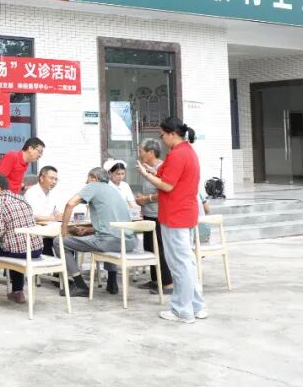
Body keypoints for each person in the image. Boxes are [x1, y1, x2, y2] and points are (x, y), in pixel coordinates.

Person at [137, 116, 207, 323]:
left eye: (162, 135)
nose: (162, 139)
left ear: (172, 134)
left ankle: (182, 310)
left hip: (175, 215)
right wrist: (152, 171)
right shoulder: (187, 151)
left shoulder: (177, 154)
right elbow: (168, 174)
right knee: (187, 263)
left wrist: (146, 175)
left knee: (179, 264)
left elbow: (167, 185)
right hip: (185, 213)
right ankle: (196, 306)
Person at [58, 167, 136, 297]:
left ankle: (80, 285)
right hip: (128, 242)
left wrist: (64, 230)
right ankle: (112, 282)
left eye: (88, 179)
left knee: (60, 242)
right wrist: (89, 230)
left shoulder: (94, 186)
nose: (86, 182)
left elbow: (70, 204)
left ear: (94, 178)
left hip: (109, 241)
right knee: (109, 239)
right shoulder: (114, 190)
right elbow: (112, 224)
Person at [0, 174, 42, 307]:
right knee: (15, 247)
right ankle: (18, 291)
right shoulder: (21, 199)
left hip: (20, 251)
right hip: (36, 249)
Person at [134, 139, 171, 293]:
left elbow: (165, 190)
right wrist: (142, 200)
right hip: (148, 214)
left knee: (160, 249)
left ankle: (168, 284)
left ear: (151, 152)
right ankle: (156, 280)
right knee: (150, 247)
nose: (139, 154)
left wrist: (147, 199)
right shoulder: (149, 169)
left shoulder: (162, 168)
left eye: (141, 151)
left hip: (158, 215)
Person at [0, 137, 46, 213]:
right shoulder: (12, 156)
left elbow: (13, 180)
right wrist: (0, 202)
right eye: (39, 151)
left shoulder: (26, 163)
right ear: (30, 148)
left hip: (9, 203)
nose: (40, 155)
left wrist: (24, 187)